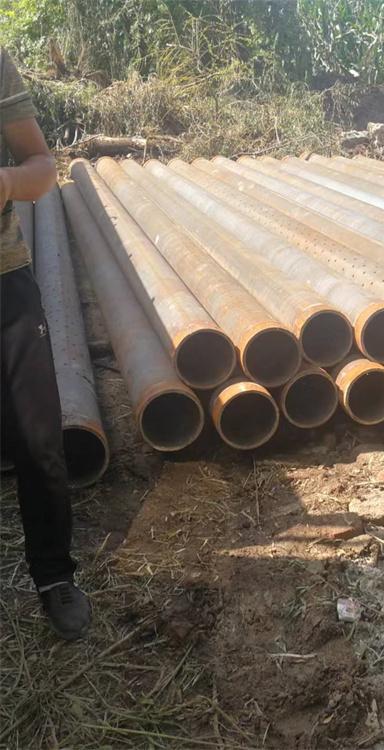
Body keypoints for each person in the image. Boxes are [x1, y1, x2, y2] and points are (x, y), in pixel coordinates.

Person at [1, 47, 91, 640]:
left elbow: (42, 166)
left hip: (4, 280)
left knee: (38, 439)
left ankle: (54, 575)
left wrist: (7, 181)